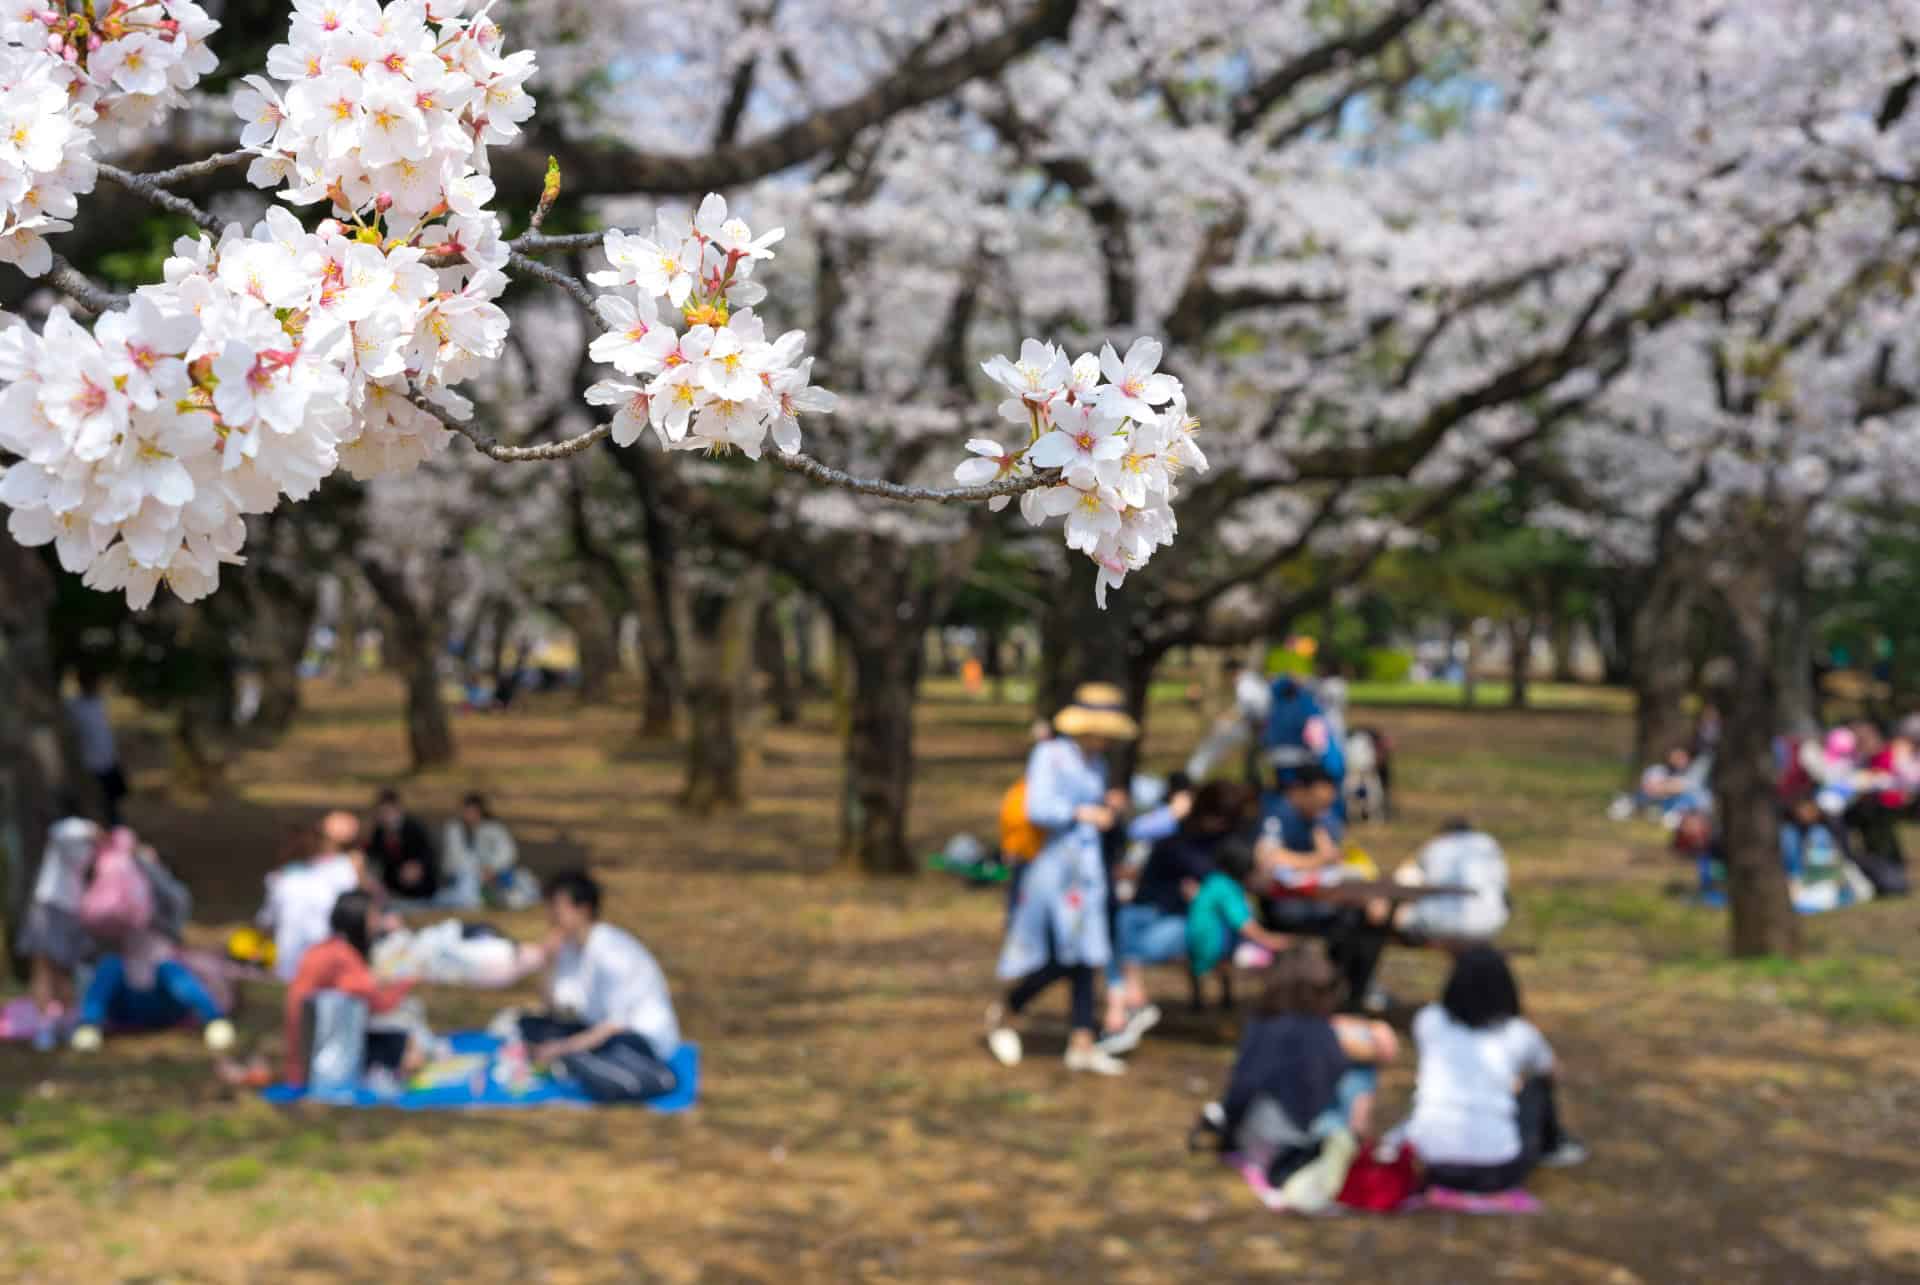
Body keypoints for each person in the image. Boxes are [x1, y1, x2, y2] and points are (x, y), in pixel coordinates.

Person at [987, 682, 1134, 1076]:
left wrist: (1107, 810)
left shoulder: (1096, 765)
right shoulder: (1050, 755)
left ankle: (1081, 1041)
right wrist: (1083, 813)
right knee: (1060, 957)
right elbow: (1039, 808)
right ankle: (1010, 1007)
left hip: (1086, 874)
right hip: (1051, 874)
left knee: (1088, 956)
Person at [1213, 947, 1399, 1209]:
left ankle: (1353, 1140)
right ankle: (1360, 1138)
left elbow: (1242, 1087)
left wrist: (1227, 1136)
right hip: (1292, 1136)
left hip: (1255, 1134)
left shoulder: (1261, 1023)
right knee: (1360, 1072)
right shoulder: (1324, 1034)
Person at [1406, 947, 1586, 1192]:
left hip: (1428, 1164)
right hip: (1499, 1169)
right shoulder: (1519, 1032)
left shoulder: (1428, 1020)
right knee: (1537, 1086)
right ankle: (1553, 1146)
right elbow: (1552, 1072)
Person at [510, 870, 682, 1103]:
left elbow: (613, 1025)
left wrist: (561, 1048)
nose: (551, 916)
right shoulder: (570, 946)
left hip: (636, 1038)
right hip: (595, 1028)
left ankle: (587, 1065)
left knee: (581, 1055)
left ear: (583, 910)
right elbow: (555, 1008)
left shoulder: (611, 953)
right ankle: (580, 1061)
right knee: (528, 1025)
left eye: (558, 908)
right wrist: (547, 962)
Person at [71, 829, 234, 1053]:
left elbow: (178, 902)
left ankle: (215, 1021)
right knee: (111, 966)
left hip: (164, 1003)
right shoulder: (104, 911)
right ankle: (87, 1026)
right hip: (125, 1005)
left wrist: (144, 866)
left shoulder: (164, 910)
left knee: (169, 968)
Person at [278, 890, 423, 1086]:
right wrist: (407, 980)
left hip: (302, 1051)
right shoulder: (343, 956)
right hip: (317, 1060)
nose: (377, 923)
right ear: (358, 919)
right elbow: (380, 1004)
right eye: (373, 917)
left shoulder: (323, 948)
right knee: (405, 1041)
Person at [16, 814, 98, 1037]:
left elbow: (57, 831)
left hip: (57, 907)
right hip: (58, 906)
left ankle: (57, 1025)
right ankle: (55, 1026)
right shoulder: (83, 842)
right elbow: (60, 830)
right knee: (52, 969)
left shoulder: (81, 845)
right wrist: (90, 829)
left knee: (50, 969)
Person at [261, 814, 370, 982]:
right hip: (326, 970)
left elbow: (265, 924)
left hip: (288, 970)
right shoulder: (344, 871)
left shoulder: (282, 879)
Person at [1184, 837, 1296, 981]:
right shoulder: (1228, 888)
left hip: (1195, 944)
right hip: (1211, 948)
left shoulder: (1214, 880)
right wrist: (1274, 941)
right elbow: (1244, 925)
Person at [1394, 819, 1511, 941]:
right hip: (1490, 923)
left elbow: (1407, 878)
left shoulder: (1436, 845)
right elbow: (1502, 885)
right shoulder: (1488, 844)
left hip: (1442, 923)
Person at [1780, 789, 1875, 912]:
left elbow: (1836, 861)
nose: (1807, 813)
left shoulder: (1822, 831)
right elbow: (1793, 870)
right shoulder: (1789, 834)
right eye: (1803, 809)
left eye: (1810, 809)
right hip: (1800, 883)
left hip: (1827, 880)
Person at [440, 792, 527, 909]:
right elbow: (455, 858)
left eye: (473, 811)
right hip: (463, 876)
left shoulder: (494, 828)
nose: (469, 815)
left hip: (494, 875)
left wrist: (492, 868)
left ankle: (496, 896)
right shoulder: (454, 830)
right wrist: (477, 871)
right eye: (467, 811)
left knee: (513, 889)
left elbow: (507, 852)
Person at [65, 668, 127, 826]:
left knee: (112, 800)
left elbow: (106, 731)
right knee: (93, 802)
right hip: (90, 763)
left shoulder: (99, 702)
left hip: (108, 759)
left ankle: (114, 828)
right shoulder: (73, 707)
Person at [367, 788, 438, 902]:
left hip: (421, 888)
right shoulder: (379, 833)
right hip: (392, 889)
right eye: (382, 813)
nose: (386, 817)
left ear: (398, 810)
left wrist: (418, 867)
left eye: (388, 812)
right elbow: (375, 859)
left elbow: (429, 855)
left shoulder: (414, 828)